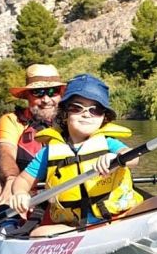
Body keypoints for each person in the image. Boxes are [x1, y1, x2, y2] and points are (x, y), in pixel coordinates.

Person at [8, 74, 142, 237]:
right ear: (65, 113)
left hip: (118, 219)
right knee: (39, 234)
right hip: (73, 227)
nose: (86, 114)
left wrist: (117, 158)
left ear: (104, 117)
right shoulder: (49, 151)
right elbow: (23, 180)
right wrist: (20, 193)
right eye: (77, 107)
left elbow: (133, 157)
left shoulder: (109, 143)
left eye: (95, 110)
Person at [0, 64, 65, 209]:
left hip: (64, 185)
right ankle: (7, 220)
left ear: (61, 93)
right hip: (25, 189)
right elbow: (5, 152)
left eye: (52, 91)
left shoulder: (75, 119)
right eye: (38, 92)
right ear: (27, 96)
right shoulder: (12, 120)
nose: (46, 99)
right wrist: (12, 180)